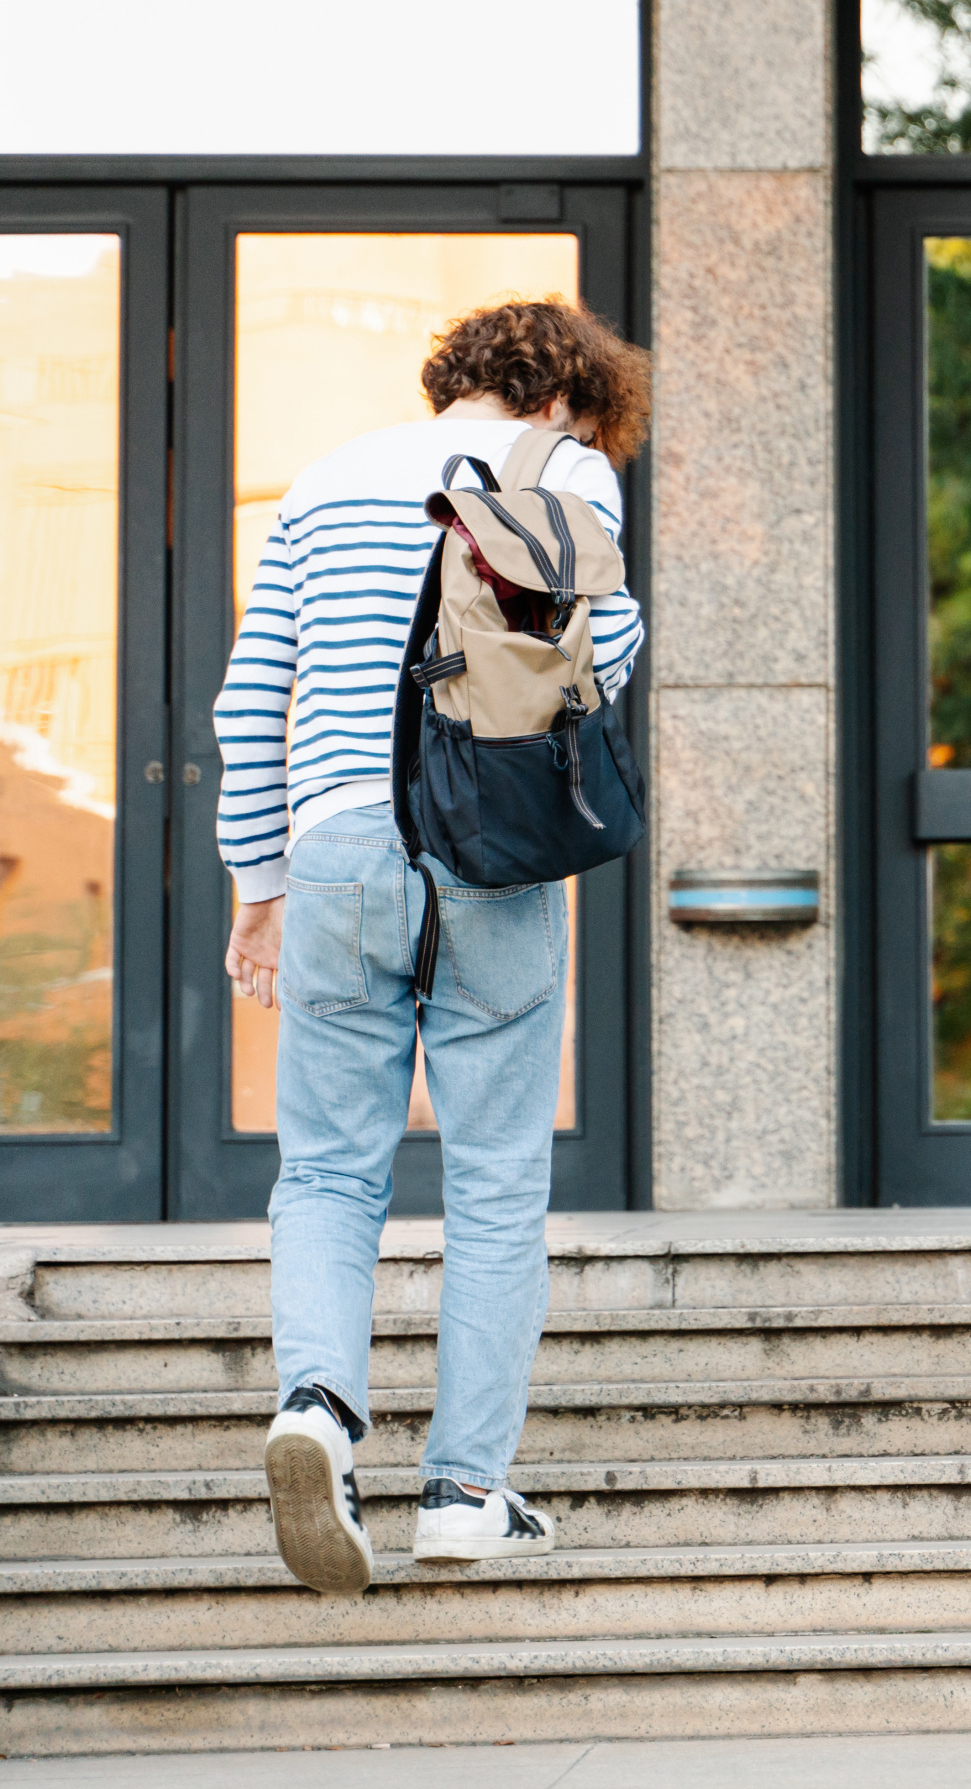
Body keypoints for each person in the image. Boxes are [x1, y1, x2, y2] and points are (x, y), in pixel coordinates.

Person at [216, 299, 648, 1595]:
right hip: (491, 852)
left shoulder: (323, 484)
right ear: (567, 396)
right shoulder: (567, 471)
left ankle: (317, 1409)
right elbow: (607, 650)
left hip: (338, 845)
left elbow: (254, 698)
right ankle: (465, 1488)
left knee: (332, 1168)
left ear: (451, 380)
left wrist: (258, 882)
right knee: (499, 1174)